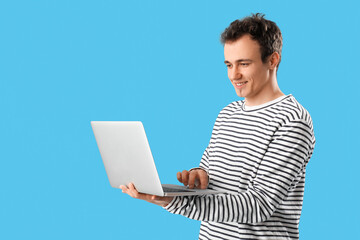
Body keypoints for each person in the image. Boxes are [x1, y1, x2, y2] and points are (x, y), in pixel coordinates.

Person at [120, 13, 315, 240]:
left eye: (244, 63)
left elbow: (259, 205)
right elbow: (209, 174)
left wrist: (172, 201)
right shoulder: (227, 114)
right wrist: (198, 175)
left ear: (272, 60)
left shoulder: (292, 121)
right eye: (229, 65)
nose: (234, 75)